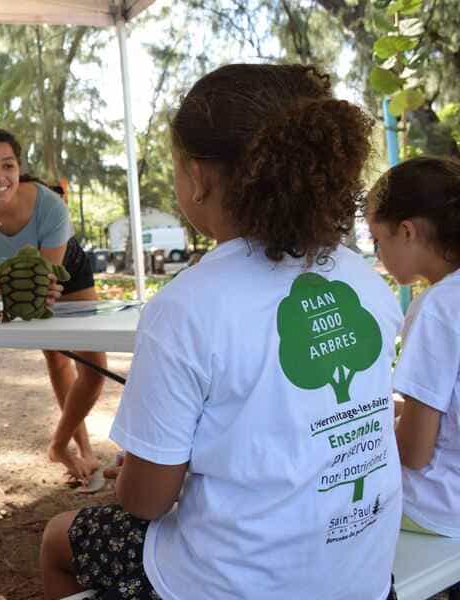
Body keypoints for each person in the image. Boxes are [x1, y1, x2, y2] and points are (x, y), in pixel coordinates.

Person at [41, 64, 403, 600]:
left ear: (198, 177)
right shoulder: (363, 281)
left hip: (234, 583)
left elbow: (147, 503)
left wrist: (133, 476)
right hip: (362, 580)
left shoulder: (186, 306)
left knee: (57, 539)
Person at [0, 129, 106, 483]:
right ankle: (80, 451)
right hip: (15, 281)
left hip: (64, 271)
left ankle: (59, 444)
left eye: (8, 165)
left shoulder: (50, 204)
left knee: (95, 366)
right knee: (55, 356)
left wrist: (27, 293)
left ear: (19, 167)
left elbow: (48, 276)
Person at [367, 156, 460, 538]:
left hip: (437, 507)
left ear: (407, 231)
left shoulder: (439, 307)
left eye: (376, 239)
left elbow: (414, 454)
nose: (377, 253)